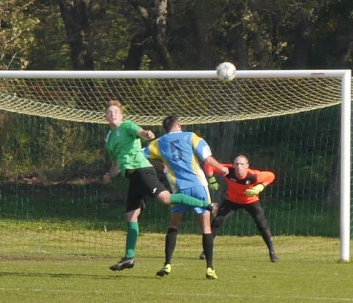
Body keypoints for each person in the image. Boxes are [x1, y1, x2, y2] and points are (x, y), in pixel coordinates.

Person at [102, 100, 208, 272]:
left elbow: (141, 132)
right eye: (109, 112)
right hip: (132, 177)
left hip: (142, 171)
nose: (112, 114)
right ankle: (129, 258)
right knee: (130, 216)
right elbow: (116, 164)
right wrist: (109, 175)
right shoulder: (110, 139)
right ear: (105, 117)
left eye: (115, 111)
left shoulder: (127, 125)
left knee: (166, 199)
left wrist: (147, 134)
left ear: (121, 116)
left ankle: (207, 205)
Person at [145, 114, 230, 279]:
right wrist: (222, 168)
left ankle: (167, 264)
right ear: (179, 124)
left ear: (164, 129)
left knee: (173, 226)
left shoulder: (157, 143)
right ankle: (210, 268)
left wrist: (160, 165)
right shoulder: (191, 136)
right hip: (198, 187)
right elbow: (207, 158)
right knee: (205, 227)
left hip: (179, 190)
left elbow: (141, 156)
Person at [205, 155, 279, 262]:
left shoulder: (254, 176)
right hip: (231, 201)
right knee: (217, 221)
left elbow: (271, 176)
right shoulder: (227, 170)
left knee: (262, 224)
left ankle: (272, 252)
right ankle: (206, 251)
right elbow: (208, 164)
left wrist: (261, 186)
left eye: (242, 164)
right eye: (237, 164)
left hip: (250, 201)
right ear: (233, 165)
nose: (239, 167)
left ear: (247, 166)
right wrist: (211, 179)